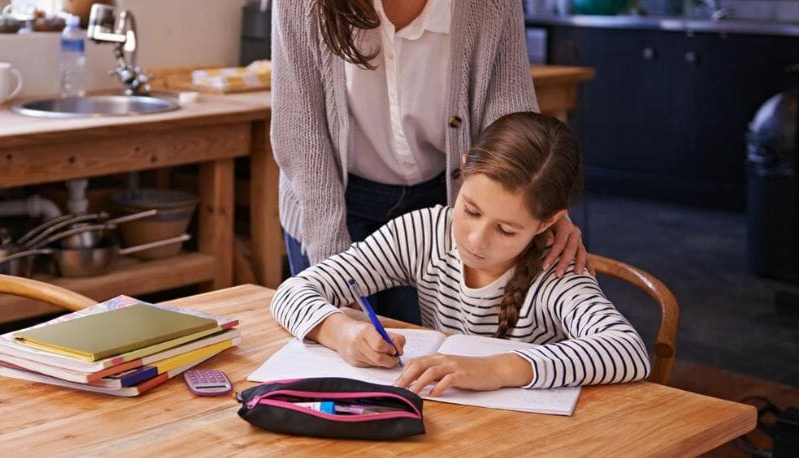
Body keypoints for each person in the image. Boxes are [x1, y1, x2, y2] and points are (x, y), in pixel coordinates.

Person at [270, 0, 588, 324]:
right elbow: (300, 124)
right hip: (332, 199)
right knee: (344, 372)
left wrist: (538, 201)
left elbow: (510, 118)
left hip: (448, 206)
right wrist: (333, 268)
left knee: (437, 373)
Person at [270, 112, 650, 394]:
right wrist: (342, 331)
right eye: (470, 210)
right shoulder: (423, 233)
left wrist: (500, 369)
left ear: (548, 222)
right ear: (464, 170)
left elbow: (627, 351)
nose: (476, 240)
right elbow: (292, 291)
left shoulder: (557, 268)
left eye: (506, 230)